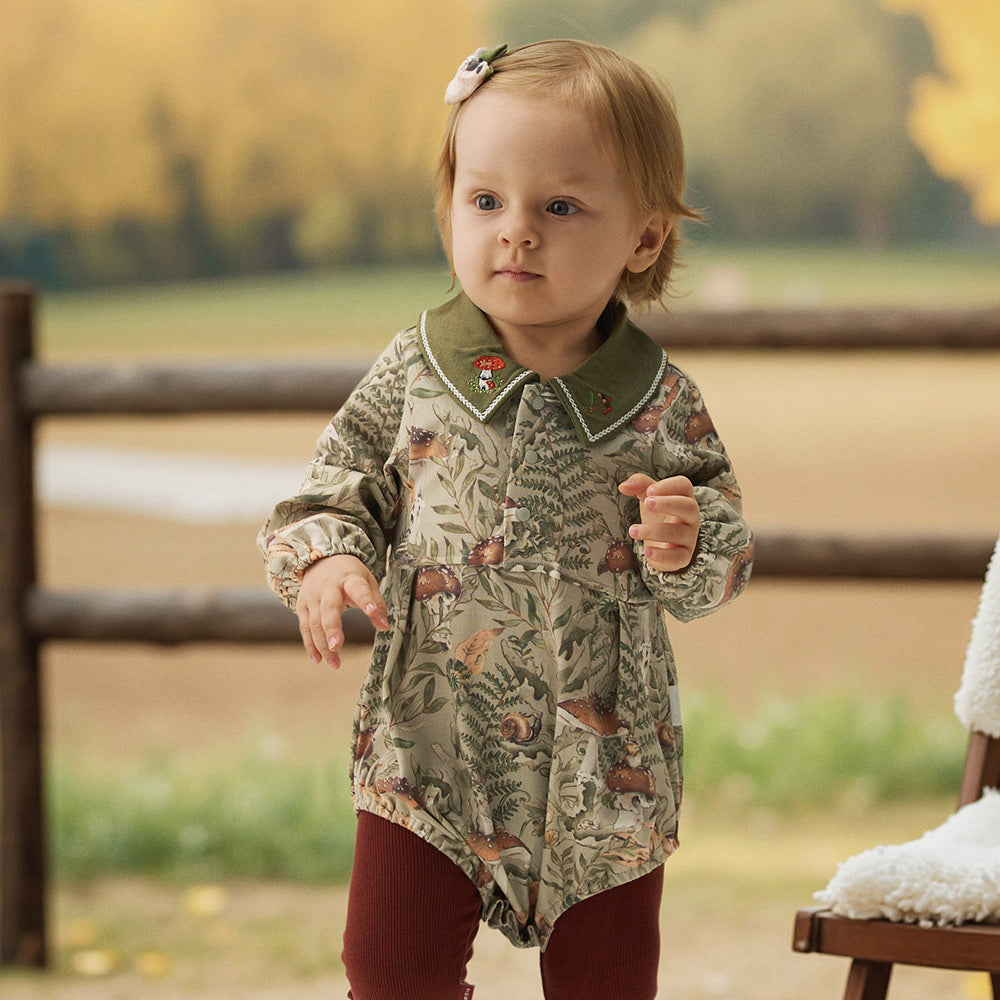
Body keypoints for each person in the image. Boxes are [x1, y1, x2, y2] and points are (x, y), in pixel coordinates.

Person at [258, 39, 754, 1000]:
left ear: (643, 240)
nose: (515, 232)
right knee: (390, 969)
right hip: (430, 745)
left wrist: (688, 546)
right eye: (486, 201)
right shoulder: (416, 372)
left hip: (607, 769)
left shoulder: (658, 401)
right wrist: (326, 563)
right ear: (451, 207)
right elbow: (330, 491)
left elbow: (722, 554)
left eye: (559, 207)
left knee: (607, 982)